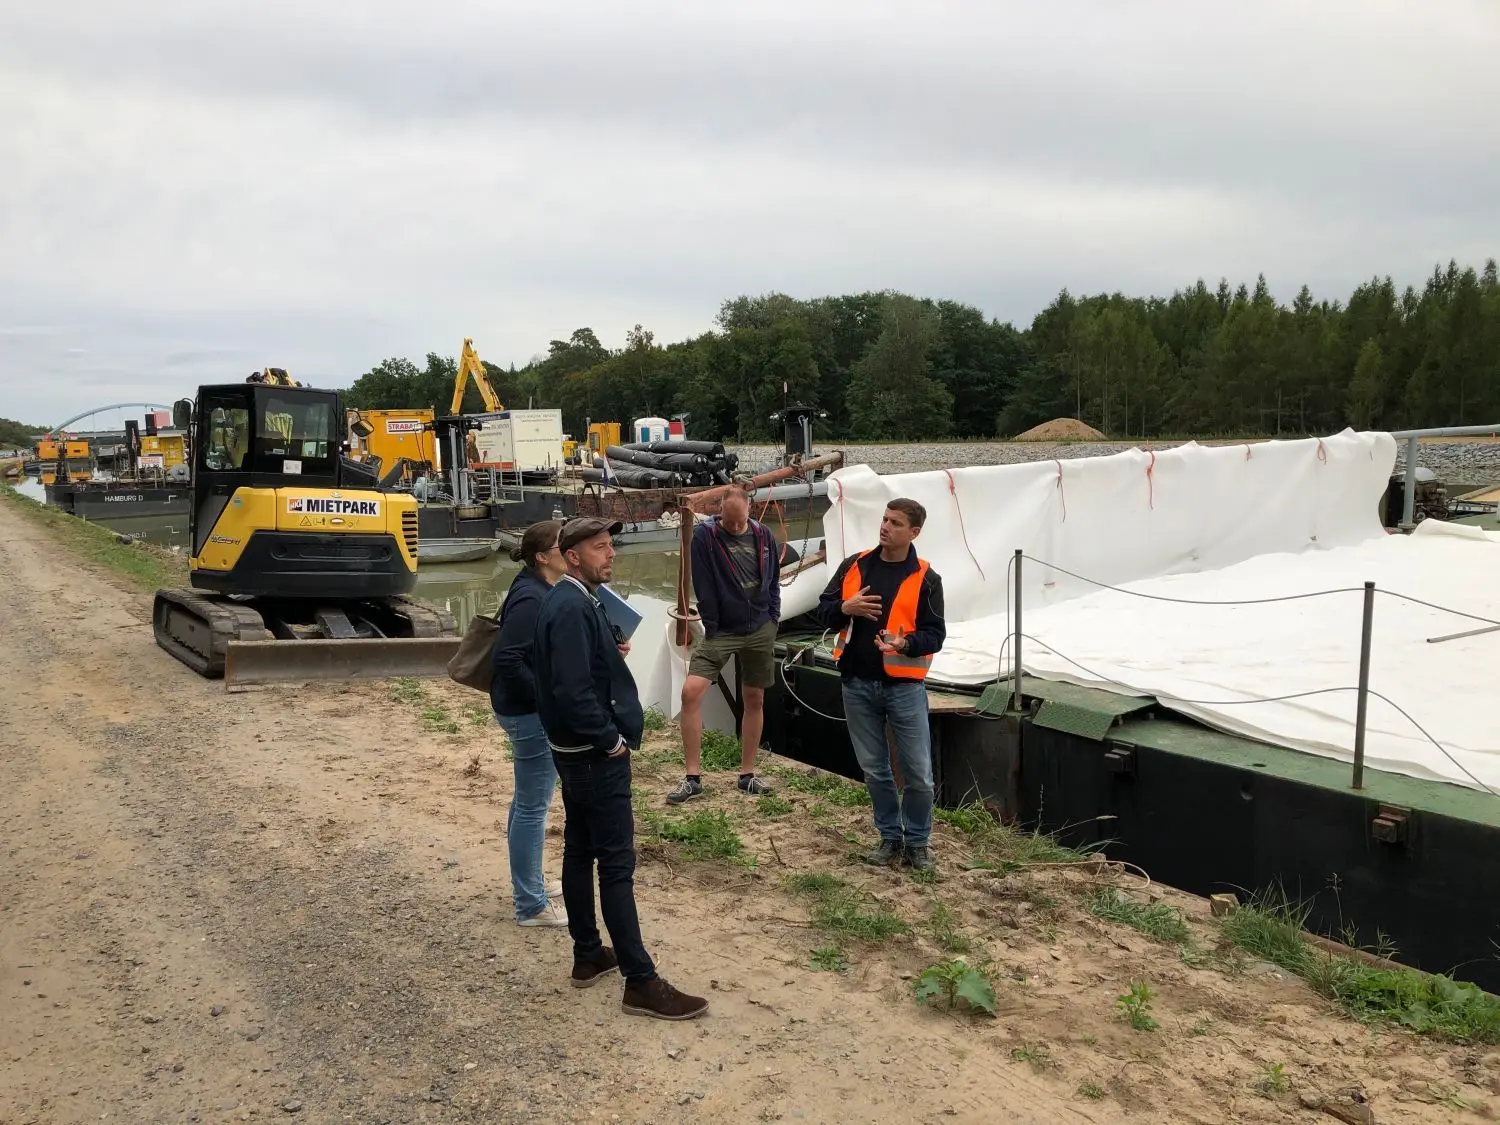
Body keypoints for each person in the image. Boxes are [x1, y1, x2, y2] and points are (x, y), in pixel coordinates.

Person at [534, 516, 709, 1021]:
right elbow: (570, 689)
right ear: (572, 557)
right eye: (600, 548)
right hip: (592, 756)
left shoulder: (573, 600)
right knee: (615, 864)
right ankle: (641, 979)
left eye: (611, 545)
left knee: (580, 848)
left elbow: (577, 673)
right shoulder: (568, 606)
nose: (611, 554)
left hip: (576, 753)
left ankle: (588, 953)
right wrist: (608, 739)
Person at [816, 498, 946, 871]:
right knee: (874, 769)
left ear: (914, 532)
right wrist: (845, 608)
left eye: (895, 522)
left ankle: (917, 842)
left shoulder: (926, 578)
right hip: (856, 682)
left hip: (904, 687)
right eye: (884, 519)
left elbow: (935, 635)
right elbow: (823, 610)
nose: (885, 526)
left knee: (919, 772)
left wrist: (905, 644)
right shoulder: (855, 566)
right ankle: (890, 838)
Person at [668, 480, 781, 804]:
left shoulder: (763, 535)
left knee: (754, 697)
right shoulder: (706, 537)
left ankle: (747, 774)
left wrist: (773, 618)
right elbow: (701, 582)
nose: (734, 527)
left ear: (750, 510)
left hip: (760, 627)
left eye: (739, 522)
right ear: (720, 512)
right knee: (691, 692)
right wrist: (713, 625)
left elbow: (772, 580)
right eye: (728, 521)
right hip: (722, 631)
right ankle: (693, 777)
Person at [489, 519, 569, 928]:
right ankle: (531, 905)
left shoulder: (537, 588)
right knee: (533, 807)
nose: (569, 549)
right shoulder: (532, 598)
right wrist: (547, 698)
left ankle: (531, 883)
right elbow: (507, 660)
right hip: (529, 715)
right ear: (543, 556)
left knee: (527, 802)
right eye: (562, 544)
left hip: (523, 710)